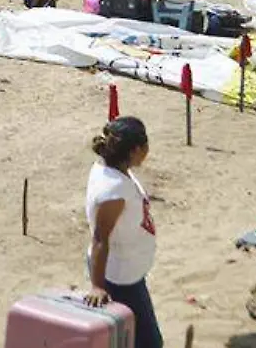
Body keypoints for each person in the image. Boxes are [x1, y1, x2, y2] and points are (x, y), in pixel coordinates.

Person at [84, 116, 162, 348]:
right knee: (148, 342)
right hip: (119, 278)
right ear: (136, 149)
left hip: (128, 270)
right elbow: (100, 238)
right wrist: (98, 286)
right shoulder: (114, 191)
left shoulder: (112, 168)